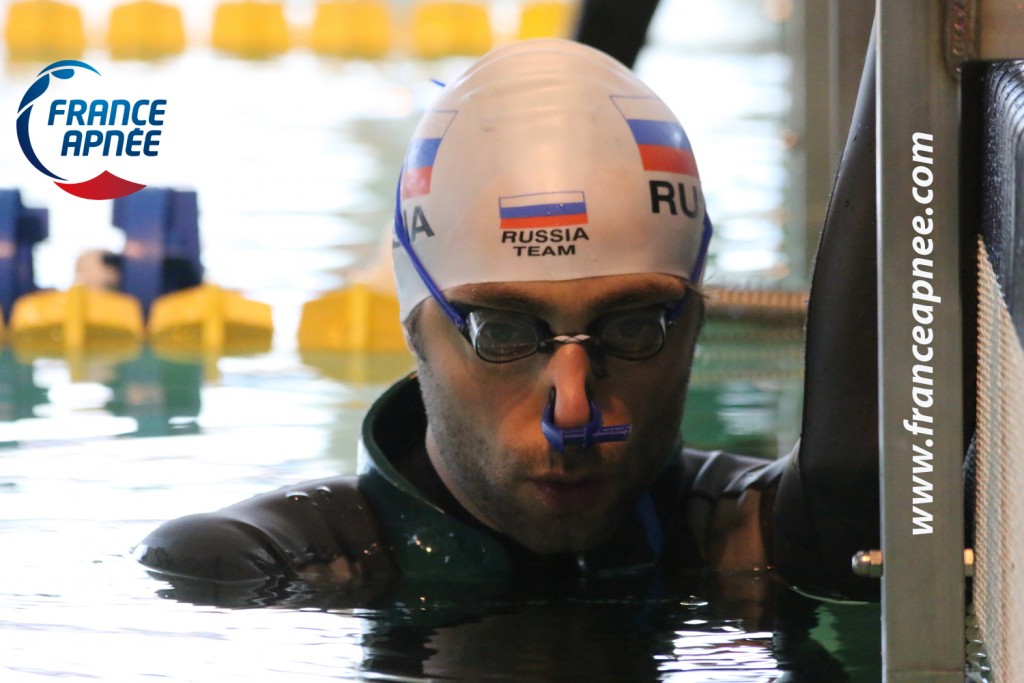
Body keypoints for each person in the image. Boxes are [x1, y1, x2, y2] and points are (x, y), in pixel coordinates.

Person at [134, 38, 879, 603]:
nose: (575, 409)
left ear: (693, 327)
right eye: (504, 333)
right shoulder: (273, 563)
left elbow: (856, 499)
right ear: (416, 327)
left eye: (631, 327)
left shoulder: (759, 535)